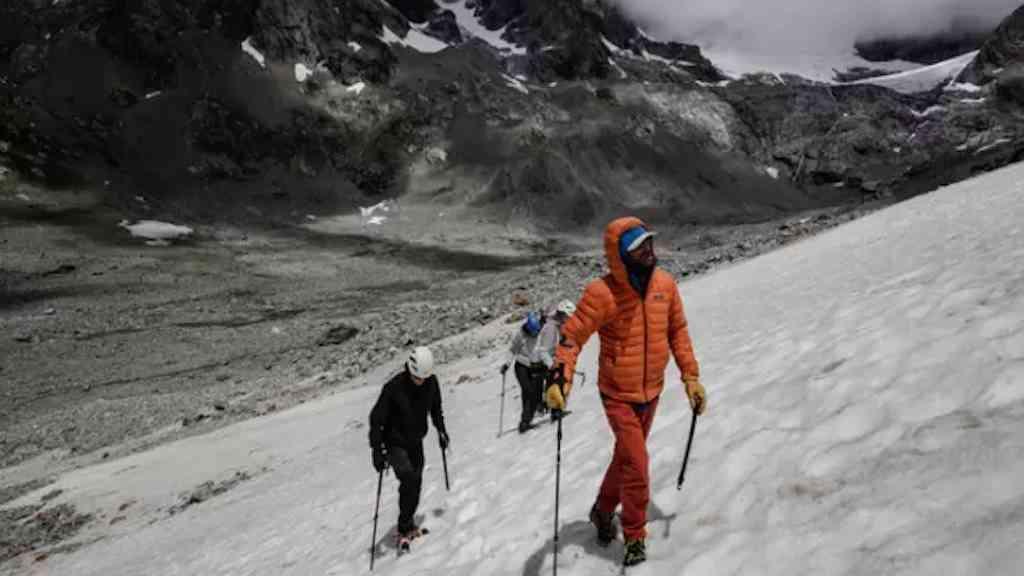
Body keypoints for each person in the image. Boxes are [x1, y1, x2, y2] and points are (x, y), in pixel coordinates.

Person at [545, 217, 707, 567]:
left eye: (649, 243)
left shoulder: (664, 285)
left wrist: (690, 377)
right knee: (638, 464)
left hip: (652, 392)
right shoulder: (601, 294)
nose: (649, 252)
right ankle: (634, 535)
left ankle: (603, 511)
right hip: (617, 393)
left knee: (626, 458)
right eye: (639, 248)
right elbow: (571, 339)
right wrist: (560, 381)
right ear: (621, 256)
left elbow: (677, 331)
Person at [369, 346, 450, 546]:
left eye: (424, 378)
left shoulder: (431, 382)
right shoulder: (393, 388)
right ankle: (403, 526)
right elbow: (376, 420)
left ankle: (407, 524)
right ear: (410, 369)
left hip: (415, 441)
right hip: (395, 442)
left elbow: (436, 409)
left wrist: (441, 431)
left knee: (416, 482)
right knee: (408, 478)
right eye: (417, 378)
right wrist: (377, 451)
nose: (421, 382)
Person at [501, 311, 545, 433]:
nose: (535, 334)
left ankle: (527, 419)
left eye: (537, 331)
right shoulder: (520, 335)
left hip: (535, 365)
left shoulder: (541, 330)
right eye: (533, 332)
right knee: (528, 391)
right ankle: (525, 421)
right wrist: (507, 364)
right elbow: (512, 350)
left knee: (534, 392)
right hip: (521, 367)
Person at [536, 299, 577, 416]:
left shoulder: (557, 324)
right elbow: (543, 350)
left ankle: (552, 409)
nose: (569, 319)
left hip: (553, 358)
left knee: (556, 383)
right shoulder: (551, 328)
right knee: (557, 383)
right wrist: (551, 364)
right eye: (568, 316)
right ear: (562, 313)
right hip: (546, 360)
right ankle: (554, 411)